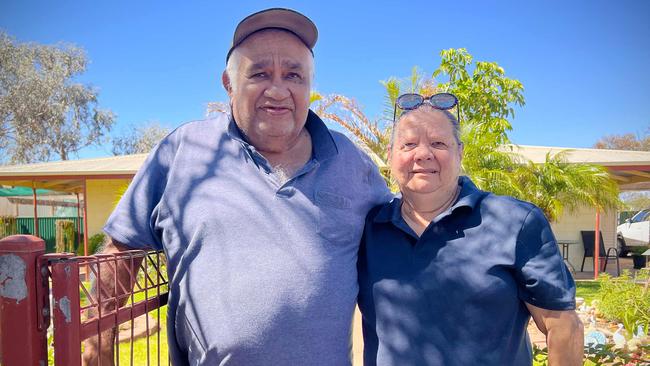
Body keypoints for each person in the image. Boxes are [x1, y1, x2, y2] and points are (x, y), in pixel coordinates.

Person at [83, 8, 389, 366]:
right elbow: (122, 248)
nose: (278, 90)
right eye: (260, 73)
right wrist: (97, 348)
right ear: (229, 84)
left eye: (294, 75)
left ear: (309, 85)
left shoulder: (352, 163)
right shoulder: (183, 151)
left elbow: (404, 232)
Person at [357, 93, 584, 365]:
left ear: (460, 153)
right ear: (391, 156)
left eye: (438, 143)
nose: (423, 154)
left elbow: (563, 327)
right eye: (408, 144)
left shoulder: (516, 221)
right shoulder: (367, 229)